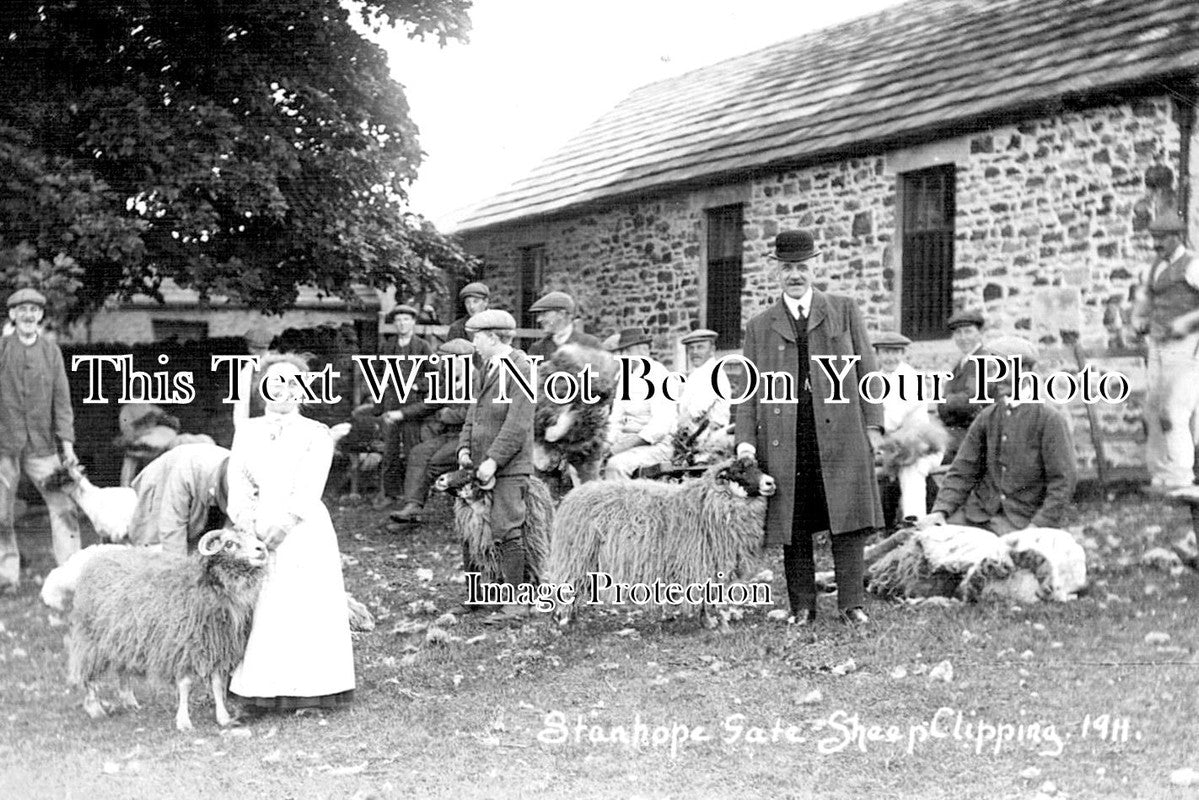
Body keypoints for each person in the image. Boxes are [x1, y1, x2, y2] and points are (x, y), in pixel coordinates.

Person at [735, 230, 883, 627]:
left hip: (841, 431)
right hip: (786, 436)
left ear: (814, 267)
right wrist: (746, 442)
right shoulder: (760, 326)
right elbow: (747, 391)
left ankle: (852, 603)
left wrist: (874, 427)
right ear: (777, 272)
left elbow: (868, 370)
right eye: (787, 268)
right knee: (794, 520)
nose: (794, 275)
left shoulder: (843, 310)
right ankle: (802, 605)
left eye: (801, 267)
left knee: (848, 518)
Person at [228, 355, 355, 712]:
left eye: (291, 382)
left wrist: (283, 525)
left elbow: (309, 485)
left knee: (303, 604)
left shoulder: (315, 433)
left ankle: (311, 692)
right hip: (257, 528)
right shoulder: (247, 432)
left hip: (302, 528)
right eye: (275, 382)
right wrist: (247, 524)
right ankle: (259, 690)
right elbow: (238, 482)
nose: (283, 390)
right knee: (265, 606)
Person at [920, 337, 1078, 534]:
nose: (995, 378)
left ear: (1026, 371)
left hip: (1022, 521)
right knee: (925, 540)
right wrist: (941, 511)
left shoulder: (1049, 419)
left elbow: (1063, 482)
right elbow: (963, 470)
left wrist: (1038, 525)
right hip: (978, 515)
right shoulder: (987, 417)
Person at [457, 309, 536, 625]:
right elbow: (472, 414)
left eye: (476, 336)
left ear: (492, 336)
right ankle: (476, 597)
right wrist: (464, 446)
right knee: (470, 529)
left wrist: (493, 460)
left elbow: (518, 423)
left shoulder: (522, 368)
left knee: (506, 528)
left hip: (508, 466)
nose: (473, 342)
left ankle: (517, 603)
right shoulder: (485, 368)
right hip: (478, 464)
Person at [0, 288, 81, 590]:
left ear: (41, 316)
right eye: (22, 310)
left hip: (42, 446)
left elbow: (62, 401)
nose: (28, 315)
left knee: (64, 506)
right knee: (1, 515)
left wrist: (67, 446)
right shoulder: (2, 348)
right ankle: (6, 579)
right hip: (4, 445)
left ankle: (71, 574)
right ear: (12, 315)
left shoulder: (51, 352)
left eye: (34, 310)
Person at [1130, 211, 1199, 501]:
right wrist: (1138, 318)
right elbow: (1145, 296)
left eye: (1161, 239)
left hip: (1187, 346)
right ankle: (1160, 474)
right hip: (1158, 344)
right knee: (1153, 408)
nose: (1156, 245)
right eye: (1153, 239)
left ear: (1177, 237)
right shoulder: (1155, 266)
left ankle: (1183, 476)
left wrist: (1187, 322)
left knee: (1175, 409)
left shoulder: (1193, 264)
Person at [390, 338, 476, 522]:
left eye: (449, 362)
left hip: (470, 438)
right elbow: (430, 404)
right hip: (450, 435)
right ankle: (412, 506)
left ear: (463, 360)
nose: (445, 366)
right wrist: (401, 414)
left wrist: (446, 415)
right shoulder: (452, 383)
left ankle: (458, 503)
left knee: (436, 461)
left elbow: (471, 414)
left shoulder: (478, 382)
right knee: (418, 453)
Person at [365, 304, 435, 508]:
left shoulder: (423, 347)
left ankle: (413, 496)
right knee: (390, 451)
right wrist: (379, 402)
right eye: (398, 320)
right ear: (394, 323)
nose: (402, 323)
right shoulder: (387, 347)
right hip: (391, 403)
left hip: (413, 406)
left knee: (414, 451)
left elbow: (435, 377)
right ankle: (390, 493)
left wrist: (416, 385)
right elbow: (377, 374)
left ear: (413, 322)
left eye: (406, 319)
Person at [872, 331, 945, 525]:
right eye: (886, 352)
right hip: (891, 446)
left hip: (922, 445)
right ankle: (874, 523)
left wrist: (871, 429)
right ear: (877, 355)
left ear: (903, 354)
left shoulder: (910, 378)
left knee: (912, 466)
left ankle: (915, 521)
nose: (890, 357)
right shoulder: (875, 379)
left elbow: (891, 420)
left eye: (896, 352)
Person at [126, 443, 231, 553]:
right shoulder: (186, 470)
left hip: (207, 486)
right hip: (164, 481)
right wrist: (179, 566)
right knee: (155, 545)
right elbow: (171, 525)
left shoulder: (242, 474)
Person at [602, 328, 677, 478]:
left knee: (615, 466)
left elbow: (660, 427)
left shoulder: (658, 375)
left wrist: (620, 448)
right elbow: (615, 420)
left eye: (628, 351)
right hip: (625, 442)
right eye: (621, 352)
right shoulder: (626, 376)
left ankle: (621, 502)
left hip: (656, 446)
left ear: (644, 351)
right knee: (589, 462)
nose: (623, 357)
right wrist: (606, 445)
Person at [938, 309, 993, 460]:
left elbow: (971, 400)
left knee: (925, 449)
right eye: (958, 333)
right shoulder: (961, 363)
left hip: (974, 434)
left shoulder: (984, 361)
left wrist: (947, 401)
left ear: (980, 334)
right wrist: (947, 401)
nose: (963, 338)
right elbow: (942, 404)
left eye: (968, 332)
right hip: (956, 431)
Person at [674, 328, 734, 464]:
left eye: (700, 347)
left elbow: (696, 412)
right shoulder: (697, 373)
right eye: (691, 348)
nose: (695, 352)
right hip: (694, 438)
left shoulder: (713, 374)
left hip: (710, 440)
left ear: (712, 349)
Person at [526, 291, 600, 359]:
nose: (538, 320)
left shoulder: (590, 344)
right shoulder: (538, 349)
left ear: (561, 314)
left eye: (544, 314)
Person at [234, 326, 275, 428]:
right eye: (253, 348)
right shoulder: (246, 370)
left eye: (261, 348)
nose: (254, 352)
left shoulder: (277, 367)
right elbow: (240, 404)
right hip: (251, 423)